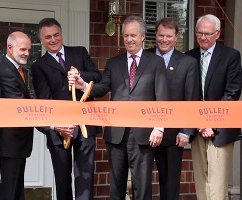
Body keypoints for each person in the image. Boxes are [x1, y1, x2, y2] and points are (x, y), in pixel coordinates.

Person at [68, 15, 169, 200]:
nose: (129, 39)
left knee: (142, 187)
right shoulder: (114, 63)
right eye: (125, 36)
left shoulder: (156, 62)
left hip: (144, 133)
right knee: (116, 187)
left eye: (133, 35)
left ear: (143, 36)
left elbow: (162, 96)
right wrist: (83, 85)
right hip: (116, 134)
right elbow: (102, 88)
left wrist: (159, 127)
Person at [31, 18, 102, 200]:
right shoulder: (38, 66)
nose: (53, 40)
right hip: (60, 130)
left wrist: (80, 77)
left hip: (85, 124)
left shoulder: (79, 52)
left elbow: (97, 76)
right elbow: (45, 100)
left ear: (61, 34)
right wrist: (58, 125)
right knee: (62, 180)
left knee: (85, 179)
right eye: (48, 37)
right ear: (41, 40)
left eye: (56, 35)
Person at [186, 14, 242, 200]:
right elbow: (187, 95)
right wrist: (199, 123)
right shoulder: (189, 57)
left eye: (207, 34)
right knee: (201, 183)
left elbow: (232, 93)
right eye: (199, 33)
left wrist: (211, 122)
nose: (203, 37)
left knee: (217, 186)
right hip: (197, 129)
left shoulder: (231, 56)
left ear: (217, 34)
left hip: (221, 129)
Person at [146, 18, 199, 200]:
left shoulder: (188, 63)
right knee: (140, 181)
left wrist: (186, 131)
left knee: (169, 183)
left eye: (169, 36)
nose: (164, 40)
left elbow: (191, 98)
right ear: (155, 35)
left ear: (176, 37)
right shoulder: (144, 57)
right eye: (161, 35)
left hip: (173, 134)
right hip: (142, 130)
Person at [0, 31, 34, 200]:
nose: (27, 53)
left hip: (16, 144)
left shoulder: (15, 69)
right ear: (10, 48)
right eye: (23, 49)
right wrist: (51, 125)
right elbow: (20, 107)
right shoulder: (5, 71)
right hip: (9, 143)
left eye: (29, 50)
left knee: (16, 192)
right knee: (7, 193)